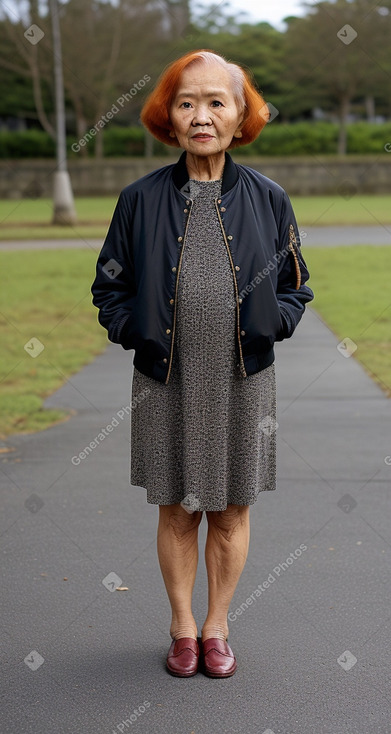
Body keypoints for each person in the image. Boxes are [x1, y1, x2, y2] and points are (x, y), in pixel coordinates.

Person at [91, 49, 314, 678]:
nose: (202, 115)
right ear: (170, 115)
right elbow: (108, 287)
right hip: (167, 382)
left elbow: (298, 285)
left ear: (242, 114)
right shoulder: (138, 200)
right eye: (187, 102)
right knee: (177, 507)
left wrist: (277, 322)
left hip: (245, 381)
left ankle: (217, 626)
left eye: (217, 101)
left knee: (231, 507)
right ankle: (182, 628)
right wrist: (134, 329)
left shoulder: (270, 199)